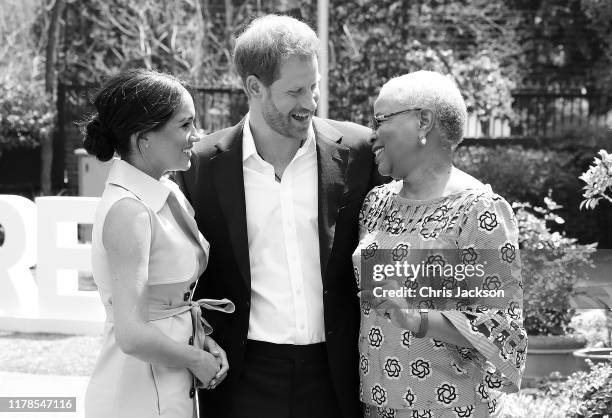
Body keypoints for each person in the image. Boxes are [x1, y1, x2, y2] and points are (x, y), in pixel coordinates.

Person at [176, 14, 383, 418]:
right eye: (294, 91)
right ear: (254, 86)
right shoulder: (199, 168)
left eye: (314, 86)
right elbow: (182, 277)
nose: (309, 102)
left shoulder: (360, 153)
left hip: (339, 375)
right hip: (242, 378)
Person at [354, 71, 527, 418]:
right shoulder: (376, 203)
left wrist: (416, 317)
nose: (373, 134)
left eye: (381, 119)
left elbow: (501, 326)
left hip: (450, 406)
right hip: (377, 403)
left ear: (424, 121)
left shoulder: (477, 210)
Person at [83, 69, 234, 418]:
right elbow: (132, 335)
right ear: (143, 138)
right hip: (135, 393)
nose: (196, 136)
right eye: (185, 125)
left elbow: (167, 307)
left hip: (166, 380)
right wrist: (196, 359)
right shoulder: (129, 212)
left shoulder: (167, 193)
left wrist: (201, 343)